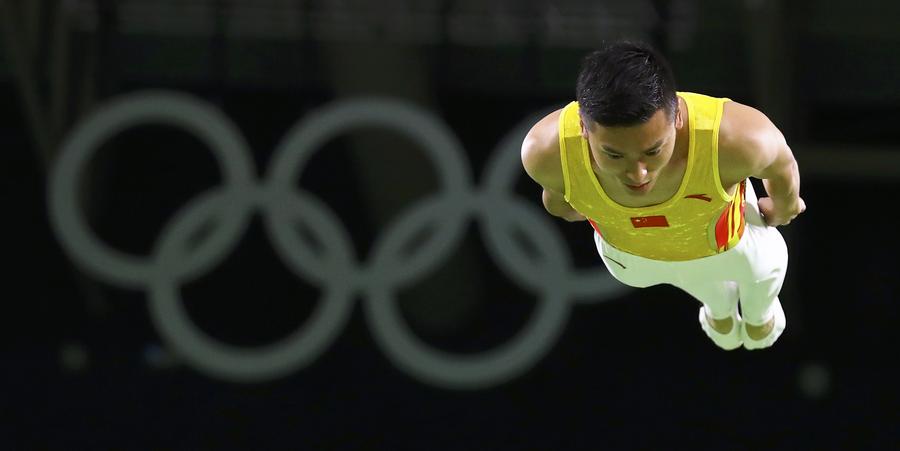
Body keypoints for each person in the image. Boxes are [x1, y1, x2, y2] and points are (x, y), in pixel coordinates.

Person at [520, 40, 805, 350]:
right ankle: (723, 307)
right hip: (636, 262)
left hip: (705, 251)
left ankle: (735, 312)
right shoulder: (546, 152)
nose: (638, 173)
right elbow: (557, 201)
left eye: (653, 150)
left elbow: (782, 164)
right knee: (733, 268)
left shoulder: (735, 139)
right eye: (614, 155)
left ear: (678, 118)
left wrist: (786, 205)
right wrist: (784, 206)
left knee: (756, 269)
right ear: (583, 128)